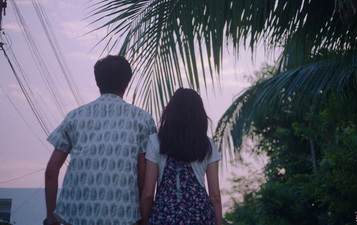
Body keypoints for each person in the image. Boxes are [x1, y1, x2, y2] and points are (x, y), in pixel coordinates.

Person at [44, 55, 156, 225]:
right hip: (124, 215)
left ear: (98, 82)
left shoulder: (75, 117)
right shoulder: (143, 120)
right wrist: (143, 217)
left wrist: (51, 218)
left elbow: (51, 171)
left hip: (73, 214)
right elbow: (142, 174)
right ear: (127, 82)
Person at [140, 88, 223, 225]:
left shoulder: (156, 141)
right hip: (200, 216)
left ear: (171, 112)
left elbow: (148, 194)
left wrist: (145, 221)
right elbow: (215, 197)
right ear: (199, 115)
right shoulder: (207, 144)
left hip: (164, 217)